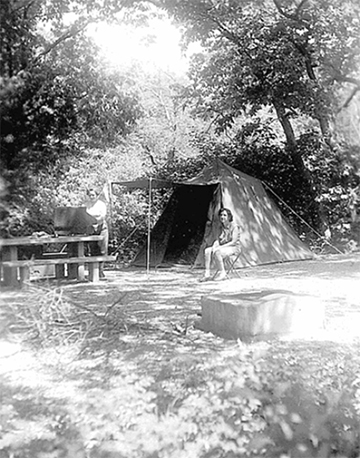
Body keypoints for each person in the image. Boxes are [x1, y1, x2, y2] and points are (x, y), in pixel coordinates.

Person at [200, 208, 241, 282]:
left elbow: (233, 242)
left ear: (229, 216)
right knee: (207, 251)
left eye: (224, 215)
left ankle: (222, 272)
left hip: (233, 248)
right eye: (221, 215)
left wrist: (220, 247)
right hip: (223, 247)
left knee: (217, 252)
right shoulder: (220, 227)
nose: (222, 217)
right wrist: (214, 246)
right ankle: (207, 273)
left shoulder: (234, 227)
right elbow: (217, 240)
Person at [84, 188, 109, 278]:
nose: (91, 197)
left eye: (93, 195)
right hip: (90, 228)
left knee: (103, 250)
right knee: (93, 249)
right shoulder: (86, 205)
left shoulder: (101, 205)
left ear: (97, 196)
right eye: (90, 195)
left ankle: (101, 270)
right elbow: (85, 217)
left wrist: (97, 223)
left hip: (102, 228)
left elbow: (102, 216)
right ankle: (93, 272)